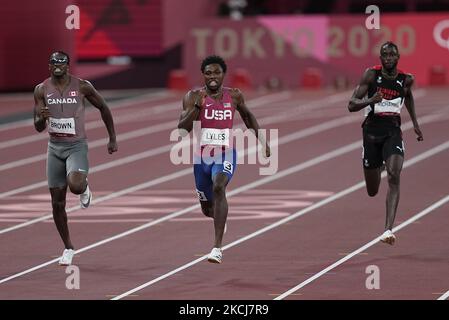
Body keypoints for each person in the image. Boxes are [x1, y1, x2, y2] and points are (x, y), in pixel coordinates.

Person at [177, 55, 270, 263]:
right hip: (202, 157)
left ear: (223, 74)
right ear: (203, 75)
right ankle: (219, 218)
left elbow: (248, 117)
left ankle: (217, 248)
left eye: (216, 72)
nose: (212, 77)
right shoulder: (193, 96)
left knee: (219, 187)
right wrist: (197, 108)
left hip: (225, 152)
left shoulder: (234, 96)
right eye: (208, 73)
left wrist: (263, 141)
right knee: (206, 208)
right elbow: (182, 130)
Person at [33, 51, 118, 265]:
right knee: (57, 203)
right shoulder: (41, 90)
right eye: (54, 62)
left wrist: (112, 138)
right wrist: (41, 119)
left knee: (76, 185)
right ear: (49, 66)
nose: (58, 66)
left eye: (62, 62)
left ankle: (85, 187)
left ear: (68, 66)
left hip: (76, 146)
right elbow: (38, 126)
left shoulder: (82, 86)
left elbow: (103, 107)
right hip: (54, 148)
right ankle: (68, 247)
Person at [348, 41, 423, 245]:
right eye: (385, 55)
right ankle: (377, 162)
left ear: (398, 57)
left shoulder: (406, 79)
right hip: (371, 133)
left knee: (394, 175)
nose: (388, 58)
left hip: (392, 132)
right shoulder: (371, 75)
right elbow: (351, 105)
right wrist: (370, 100)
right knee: (372, 190)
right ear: (380, 58)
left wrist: (415, 123)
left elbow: (408, 97)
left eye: (392, 55)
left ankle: (388, 230)